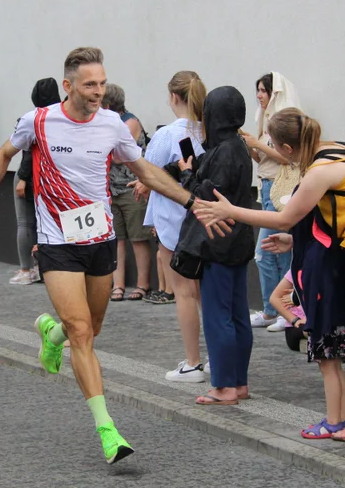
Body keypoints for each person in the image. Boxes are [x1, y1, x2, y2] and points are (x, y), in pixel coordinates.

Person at [0, 47, 208, 464]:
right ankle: (107, 430)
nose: (98, 91)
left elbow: (144, 171)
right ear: (69, 85)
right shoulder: (39, 121)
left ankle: (50, 333)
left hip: (98, 238)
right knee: (81, 331)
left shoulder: (112, 124)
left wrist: (191, 202)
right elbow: (3, 155)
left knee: (89, 328)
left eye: (101, 83)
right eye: (90, 84)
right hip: (57, 241)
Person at [195, 107, 345, 442]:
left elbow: (283, 218)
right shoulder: (341, 148)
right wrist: (292, 240)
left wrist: (230, 210)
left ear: (287, 148)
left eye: (275, 146)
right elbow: (344, 208)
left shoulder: (319, 171)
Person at [168, 86, 257, 407]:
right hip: (239, 241)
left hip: (217, 242)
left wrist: (188, 174)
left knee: (218, 316)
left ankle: (223, 387)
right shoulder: (238, 147)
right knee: (238, 316)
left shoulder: (224, 152)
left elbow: (206, 197)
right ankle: (240, 383)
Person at [135, 70, 207, 381]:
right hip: (204, 216)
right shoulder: (207, 131)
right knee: (206, 292)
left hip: (173, 218)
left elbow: (146, 172)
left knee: (184, 292)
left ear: (174, 97)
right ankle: (216, 357)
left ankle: (193, 361)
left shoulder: (167, 135)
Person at [270, 266, 345, 439]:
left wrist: (295, 318)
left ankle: (333, 422)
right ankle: (341, 418)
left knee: (328, 368)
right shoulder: (327, 258)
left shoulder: (309, 261)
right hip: (335, 316)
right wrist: (295, 320)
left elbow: (275, 297)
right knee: (335, 368)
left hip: (321, 319)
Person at [241, 72, 299, 330]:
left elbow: (288, 158)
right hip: (265, 189)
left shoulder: (284, 123)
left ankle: (278, 310)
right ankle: (277, 310)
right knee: (274, 252)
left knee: (265, 253)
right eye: (258, 90)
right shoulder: (264, 123)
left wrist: (258, 144)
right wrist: (250, 144)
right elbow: (262, 160)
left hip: (281, 191)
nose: (259, 96)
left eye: (264, 91)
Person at [104, 83, 152, 302]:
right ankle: (118, 284)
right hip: (111, 189)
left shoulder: (130, 122)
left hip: (131, 188)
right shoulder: (107, 123)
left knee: (138, 238)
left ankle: (143, 284)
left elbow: (118, 156)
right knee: (117, 239)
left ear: (109, 104)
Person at [11, 78, 59, 285]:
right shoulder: (63, 118)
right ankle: (44, 267)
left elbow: (28, 152)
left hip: (32, 175)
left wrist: (22, 178)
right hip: (53, 177)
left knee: (25, 223)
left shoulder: (33, 119)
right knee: (47, 223)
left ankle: (26, 269)